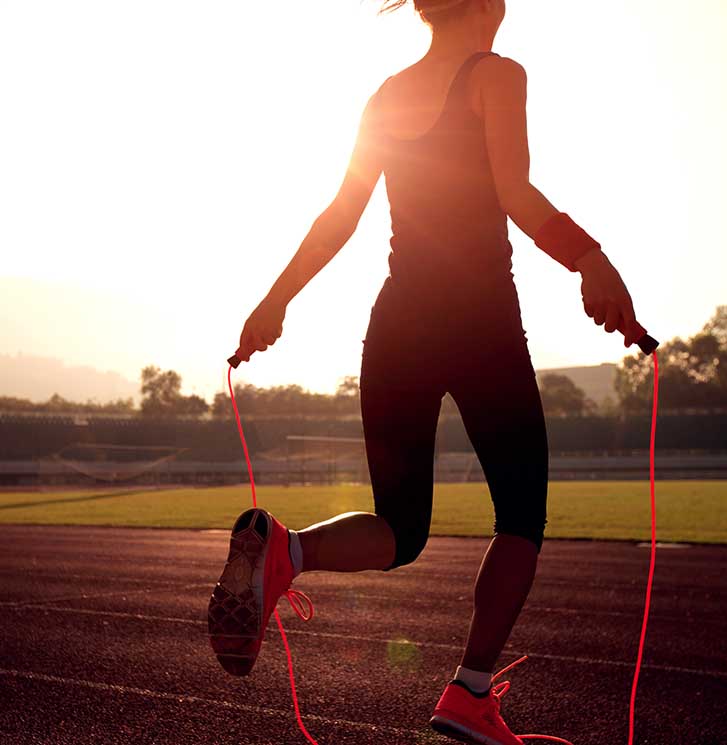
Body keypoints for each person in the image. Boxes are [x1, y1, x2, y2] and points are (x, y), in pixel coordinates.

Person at [208, 0, 643, 742]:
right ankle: (469, 691)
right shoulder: (495, 75)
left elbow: (341, 213)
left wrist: (272, 303)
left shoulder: (384, 95)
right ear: (486, 5)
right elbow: (516, 193)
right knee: (520, 511)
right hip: (477, 319)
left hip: (395, 322)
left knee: (401, 526)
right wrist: (589, 258)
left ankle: (290, 547)